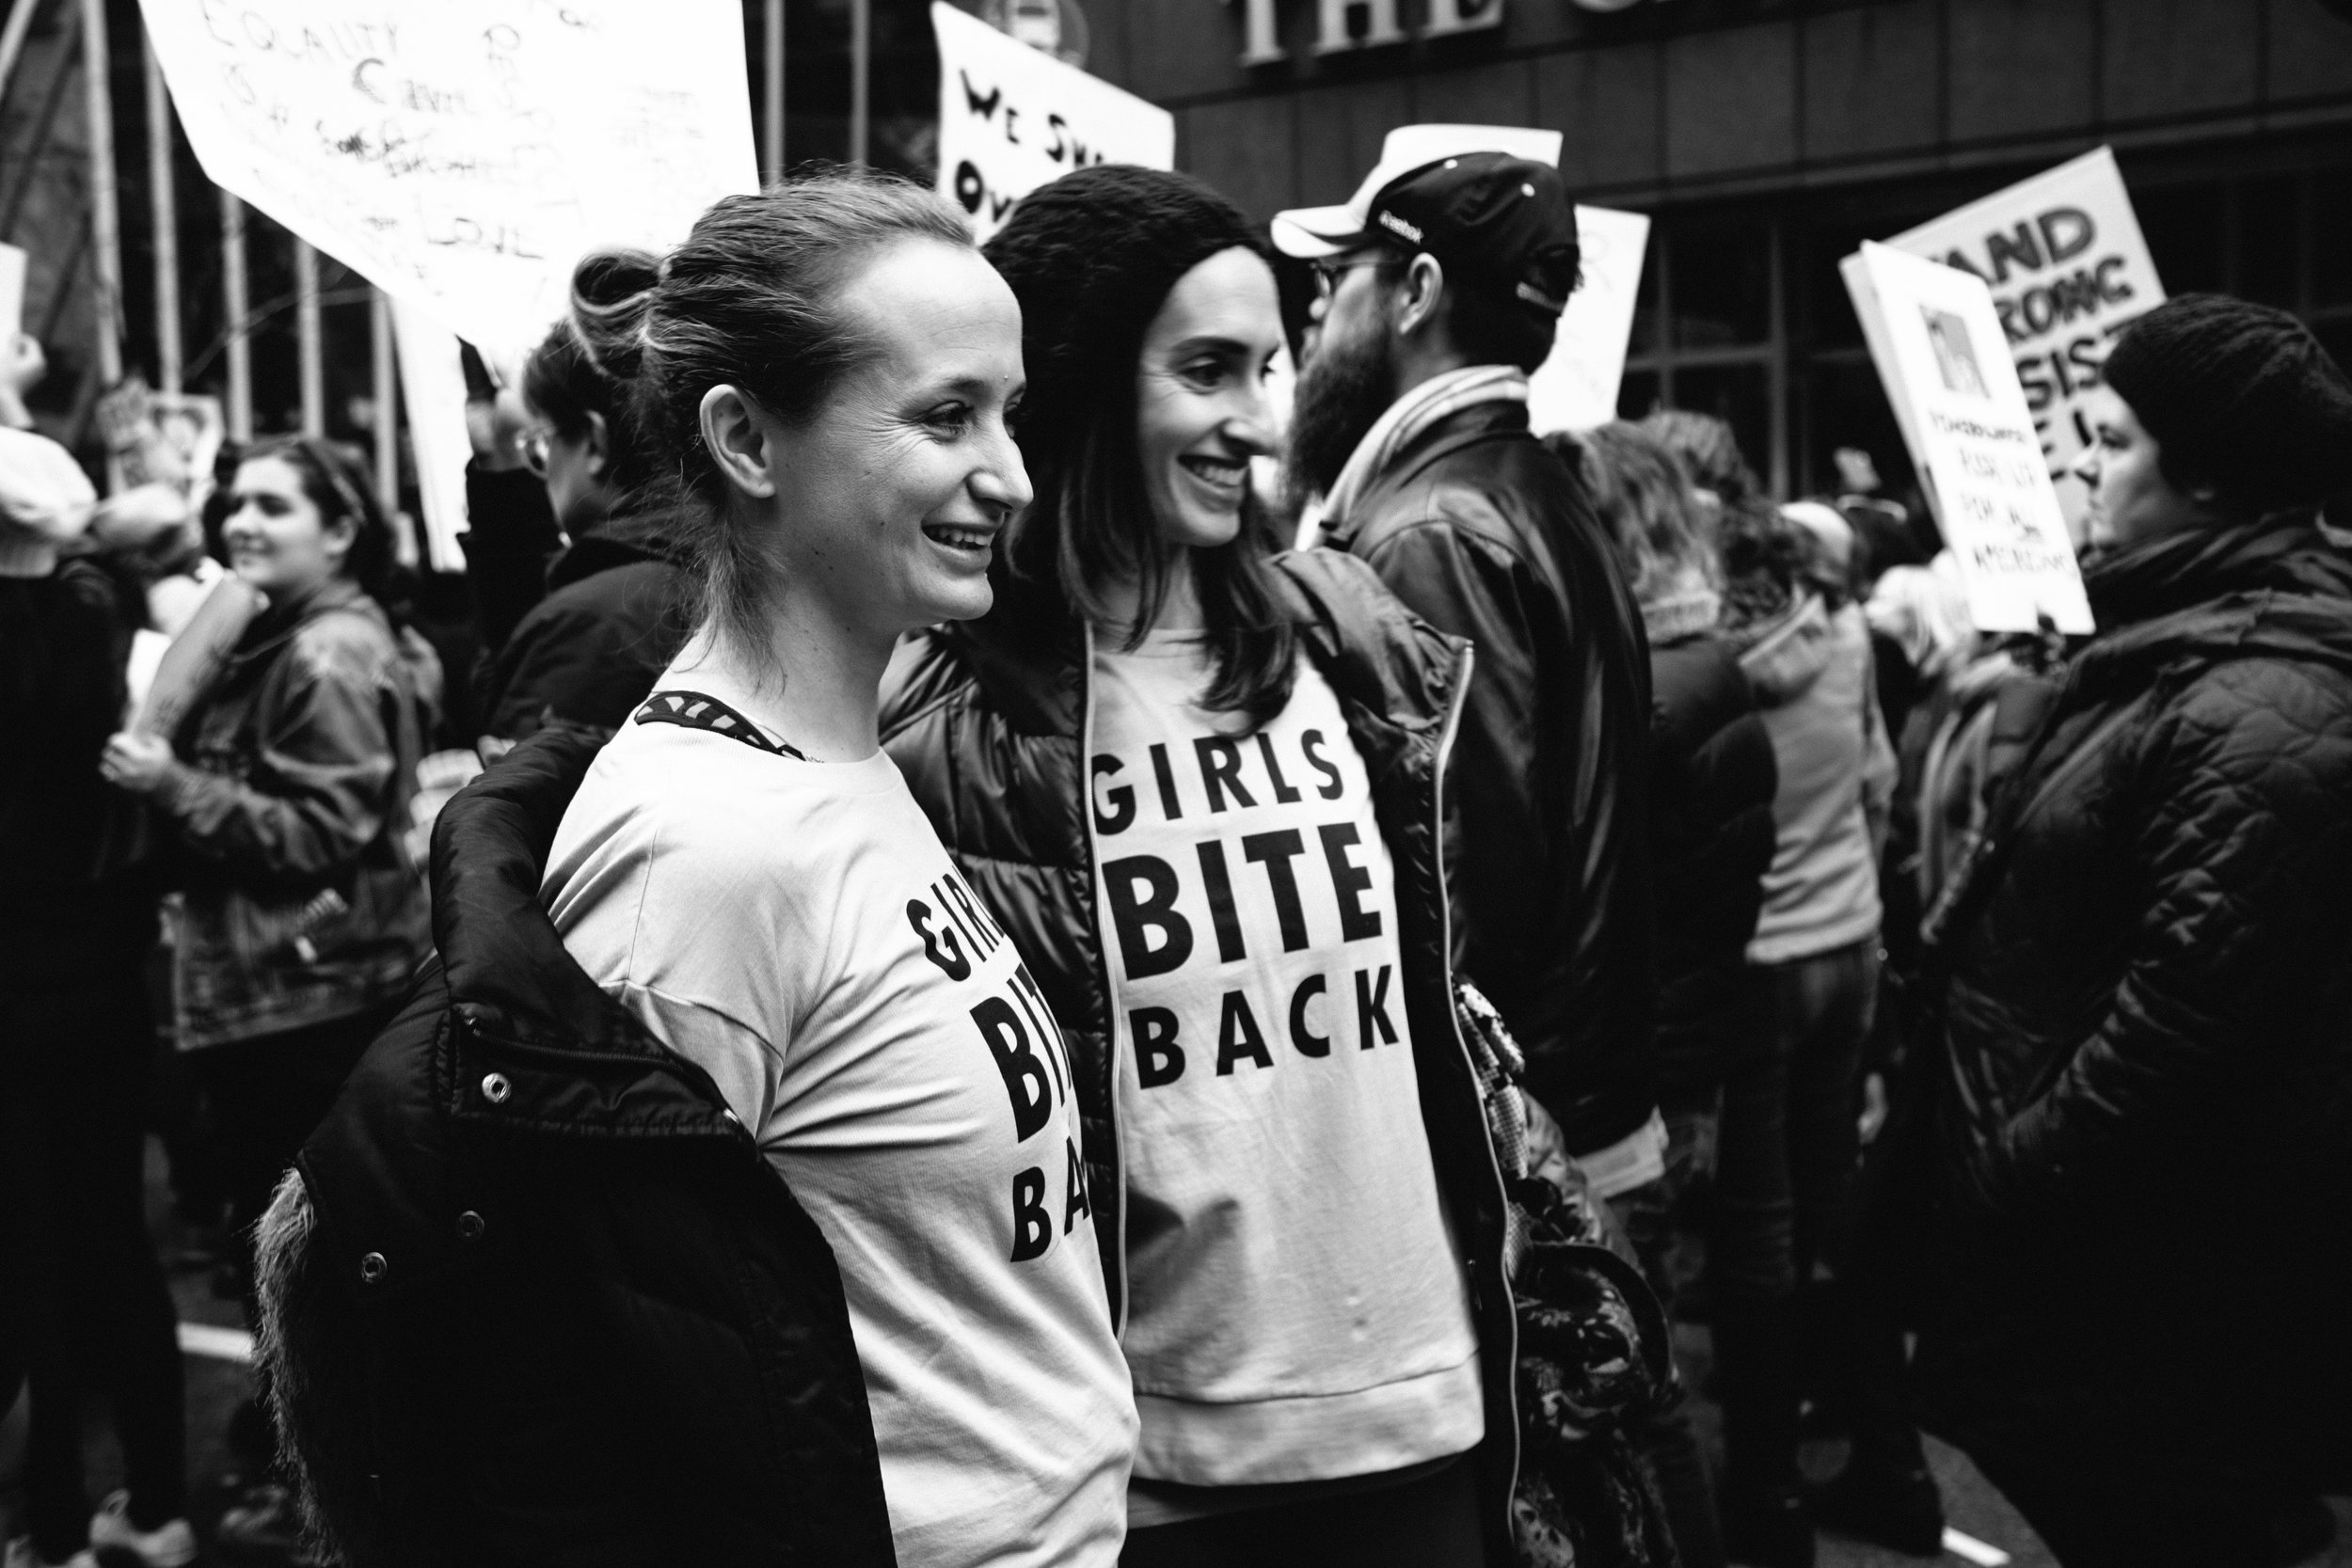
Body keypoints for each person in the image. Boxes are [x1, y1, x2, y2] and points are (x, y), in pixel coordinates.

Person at [257, 173, 1137, 1567]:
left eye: (1009, 412)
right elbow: (585, 1406)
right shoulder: (706, 851)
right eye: (943, 415)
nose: (1012, 474)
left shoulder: (843, 765)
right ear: (745, 438)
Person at [881, 164, 1514, 1566]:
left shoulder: (1354, 644)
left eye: (1272, 366)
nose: (1260, 418)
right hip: (1149, 1461)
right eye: (1210, 369)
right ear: (1086, 386)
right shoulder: (942, 718)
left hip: (1425, 1411)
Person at [1912, 294, 2352, 1568]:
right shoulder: (2173, 640)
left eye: (2111, 439)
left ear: (2208, 474)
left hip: (2152, 1297)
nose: (2081, 465)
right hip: (2125, 1282)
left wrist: (2007, 1171)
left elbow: (2186, 1021)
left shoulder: (2263, 694)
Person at [1273, 130, 1660, 1221]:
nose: (1314, 315)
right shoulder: (1521, 492)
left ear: (1417, 291)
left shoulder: (1429, 531)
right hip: (1567, 1109)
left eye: (1336, 279)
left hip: (1513, 1145)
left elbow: (1456, 887)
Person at [97, 435, 437, 1554]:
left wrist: (170, 783)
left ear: (338, 529)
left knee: (298, 1268)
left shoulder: (330, 651)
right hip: (279, 987)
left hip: (302, 995)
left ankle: (323, 1505)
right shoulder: (274, 629)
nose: (243, 521)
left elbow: (322, 830)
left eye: (275, 505)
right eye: (234, 501)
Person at [1648, 414, 1897, 1568]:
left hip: (1756, 968)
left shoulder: (1699, 662)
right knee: (1829, 1214)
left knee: (1752, 1235)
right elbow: (1882, 782)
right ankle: (1869, 1440)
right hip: (1848, 946)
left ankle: (1765, 1494)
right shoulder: (1838, 619)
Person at [1553, 420, 1778, 1568]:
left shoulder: (1648, 696)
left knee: (1641, 1384)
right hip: (1684, 1048)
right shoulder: (1705, 661)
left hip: (1649, 1071)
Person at [3, 418, 194, 1568]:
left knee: (27, 1252)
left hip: (10, 985)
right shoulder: (114, 622)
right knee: (116, 1235)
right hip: (105, 975)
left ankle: (57, 1520)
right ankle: (162, 1501)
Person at [470, 253, 691, 753]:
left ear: (592, 443)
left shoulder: (603, 619)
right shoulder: (736, 574)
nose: (541, 465)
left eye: (542, 442)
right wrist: (501, 461)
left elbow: (525, 824)